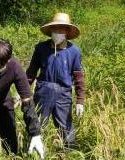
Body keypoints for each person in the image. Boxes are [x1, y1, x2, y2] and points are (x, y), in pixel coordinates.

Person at [26, 13, 85, 148]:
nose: (58, 32)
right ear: (51, 30)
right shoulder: (41, 48)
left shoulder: (74, 51)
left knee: (66, 127)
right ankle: (35, 154)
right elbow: (31, 72)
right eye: (55, 29)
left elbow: (79, 77)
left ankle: (69, 156)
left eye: (62, 29)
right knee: (38, 124)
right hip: (43, 91)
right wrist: (22, 91)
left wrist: (80, 100)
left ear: (67, 31)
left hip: (64, 93)